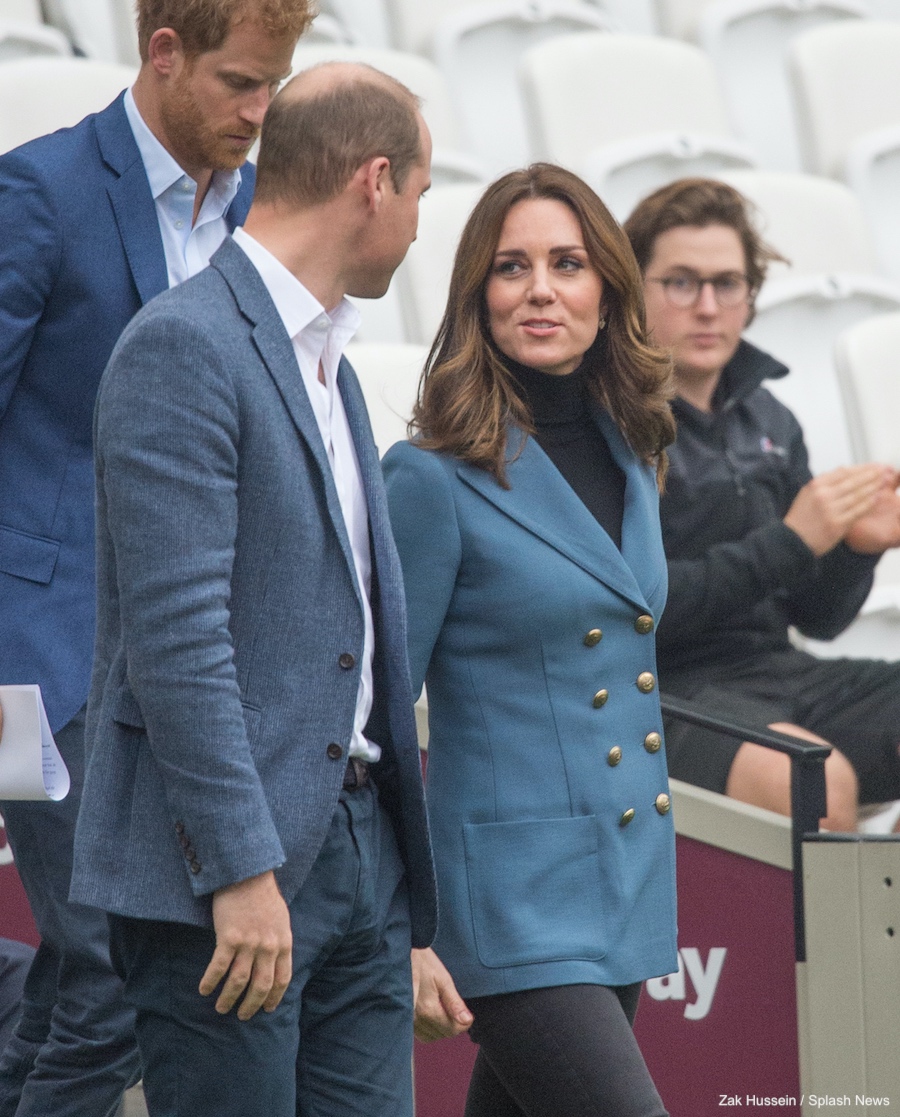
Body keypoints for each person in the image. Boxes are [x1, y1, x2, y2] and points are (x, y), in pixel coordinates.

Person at [69, 62, 437, 1117]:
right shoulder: (181, 346)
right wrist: (239, 870)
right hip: (231, 879)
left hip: (359, 860)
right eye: (419, 192)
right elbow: (176, 640)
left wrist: (400, 898)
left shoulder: (339, 367)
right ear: (374, 181)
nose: (418, 224)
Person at [0, 3, 308, 1114]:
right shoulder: (38, 192)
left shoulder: (268, 205)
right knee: (110, 973)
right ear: (161, 52)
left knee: (93, 978)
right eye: (238, 81)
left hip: (185, 659)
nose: (260, 109)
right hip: (31, 666)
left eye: (275, 82)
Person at [383, 163, 677, 1117]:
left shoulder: (634, 451)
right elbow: (375, 703)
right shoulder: (430, 476)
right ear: (478, 295)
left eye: (567, 263)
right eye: (511, 267)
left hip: (622, 881)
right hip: (508, 901)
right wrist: (409, 925)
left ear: (607, 293)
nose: (540, 288)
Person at [623, 177, 900, 831]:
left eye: (728, 283)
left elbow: (819, 617)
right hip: (665, 695)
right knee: (814, 778)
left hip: (782, 675)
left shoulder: (771, 417)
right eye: (682, 282)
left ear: (751, 295)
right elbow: (639, 610)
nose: (709, 306)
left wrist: (855, 549)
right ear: (633, 289)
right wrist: (794, 541)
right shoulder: (615, 423)